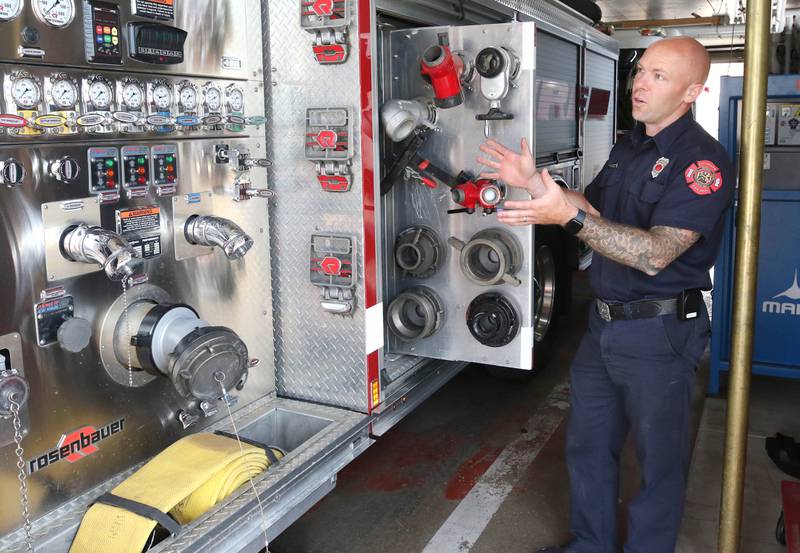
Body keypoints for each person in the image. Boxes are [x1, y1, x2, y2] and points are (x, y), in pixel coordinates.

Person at [476, 36, 734, 553]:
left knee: (659, 464)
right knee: (589, 447)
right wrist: (535, 184)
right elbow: (589, 209)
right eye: (641, 71)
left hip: (660, 334)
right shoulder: (629, 147)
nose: (639, 82)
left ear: (692, 91)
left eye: (658, 76)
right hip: (605, 327)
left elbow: (656, 253)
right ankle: (591, 545)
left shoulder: (703, 163)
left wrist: (565, 217)